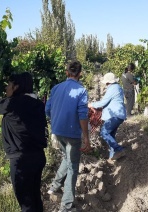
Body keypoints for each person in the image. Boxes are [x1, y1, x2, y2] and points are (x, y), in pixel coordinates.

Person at [0, 72, 47, 212]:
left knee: (26, 204)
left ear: (16, 87)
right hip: (38, 157)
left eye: (9, 85)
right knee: (35, 198)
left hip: (21, 161)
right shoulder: (38, 104)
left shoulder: (13, 104)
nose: (6, 88)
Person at [45, 60, 92, 212]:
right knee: (73, 167)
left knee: (67, 158)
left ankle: (54, 187)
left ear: (66, 72)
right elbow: (82, 115)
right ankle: (66, 206)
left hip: (57, 131)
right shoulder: (82, 90)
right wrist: (86, 136)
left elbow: (47, 110)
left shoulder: (56, 88)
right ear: (80, 74)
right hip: (72, 133)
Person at [89, 72, 127, 162]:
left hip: (114, 115)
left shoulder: (112, 88)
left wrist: (91, 104)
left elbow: (103, 102)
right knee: (111, 135)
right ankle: (112, 157)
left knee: (104, 132)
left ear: (108, 82)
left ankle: (119, 150)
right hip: (119, 115)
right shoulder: (118, 87)